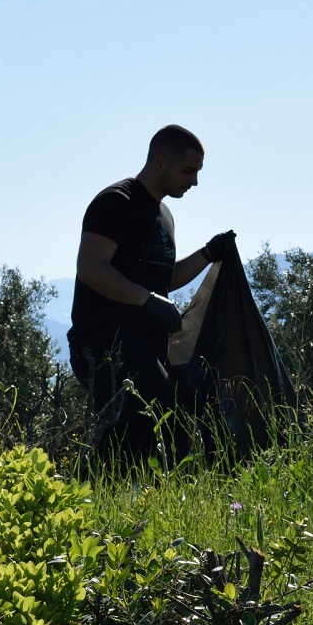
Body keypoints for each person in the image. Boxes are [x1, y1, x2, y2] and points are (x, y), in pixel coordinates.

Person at [68, 125, 231, 464]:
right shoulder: (116, 202)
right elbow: (91, 267)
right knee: (156, 429)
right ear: (160, 161)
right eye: (188, 171)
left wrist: (207, 253)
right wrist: (148, 300)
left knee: (144, 441)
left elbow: (161, 279)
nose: (195, 182)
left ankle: (111, 506)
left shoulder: (164, 216)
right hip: (105, 348)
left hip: (147, 348)